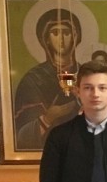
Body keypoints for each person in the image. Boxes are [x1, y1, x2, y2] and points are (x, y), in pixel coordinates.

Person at [15, 8, 82, 150]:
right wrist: (48, 118)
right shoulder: (34, 79)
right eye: (55, 33)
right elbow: (21, 136)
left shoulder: (87, 74)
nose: (61, 39)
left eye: (66, 33)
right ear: (46, 38)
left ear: (75, 36)